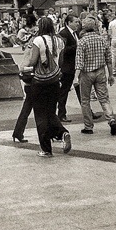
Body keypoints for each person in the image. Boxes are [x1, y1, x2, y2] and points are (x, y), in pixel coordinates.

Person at [23, 16, 70, 157]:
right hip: (54, 81)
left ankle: (46, 149)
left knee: (40, 115)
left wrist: (24, 65)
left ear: (40, 27)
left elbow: (32, 61)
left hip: (40, 82)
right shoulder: (59, 41)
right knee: (50, 112)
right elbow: (60, 62)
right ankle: (63, 133)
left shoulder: (38, 40)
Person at [75, 16, 116, 135]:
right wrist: (111, 75)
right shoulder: (101, 40)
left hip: (86, 74)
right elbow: (109, 59)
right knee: (104, 99)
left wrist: (75, 77)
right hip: (100, 72)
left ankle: (88, 126)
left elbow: (79, 62)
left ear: (84, 28)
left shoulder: (82, 42)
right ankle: (111, 120)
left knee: (85, 100)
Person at [57, 14, 80, 120]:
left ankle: (88, 111)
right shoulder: (63, 34)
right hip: (67, 67)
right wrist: (77, 46)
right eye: (75, 22)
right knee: (64, 91)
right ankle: (61, 114)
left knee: (80, 89)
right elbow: (63, 50)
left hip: (76, 65)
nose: (77, 24)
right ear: (69, 23)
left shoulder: (76, 33)